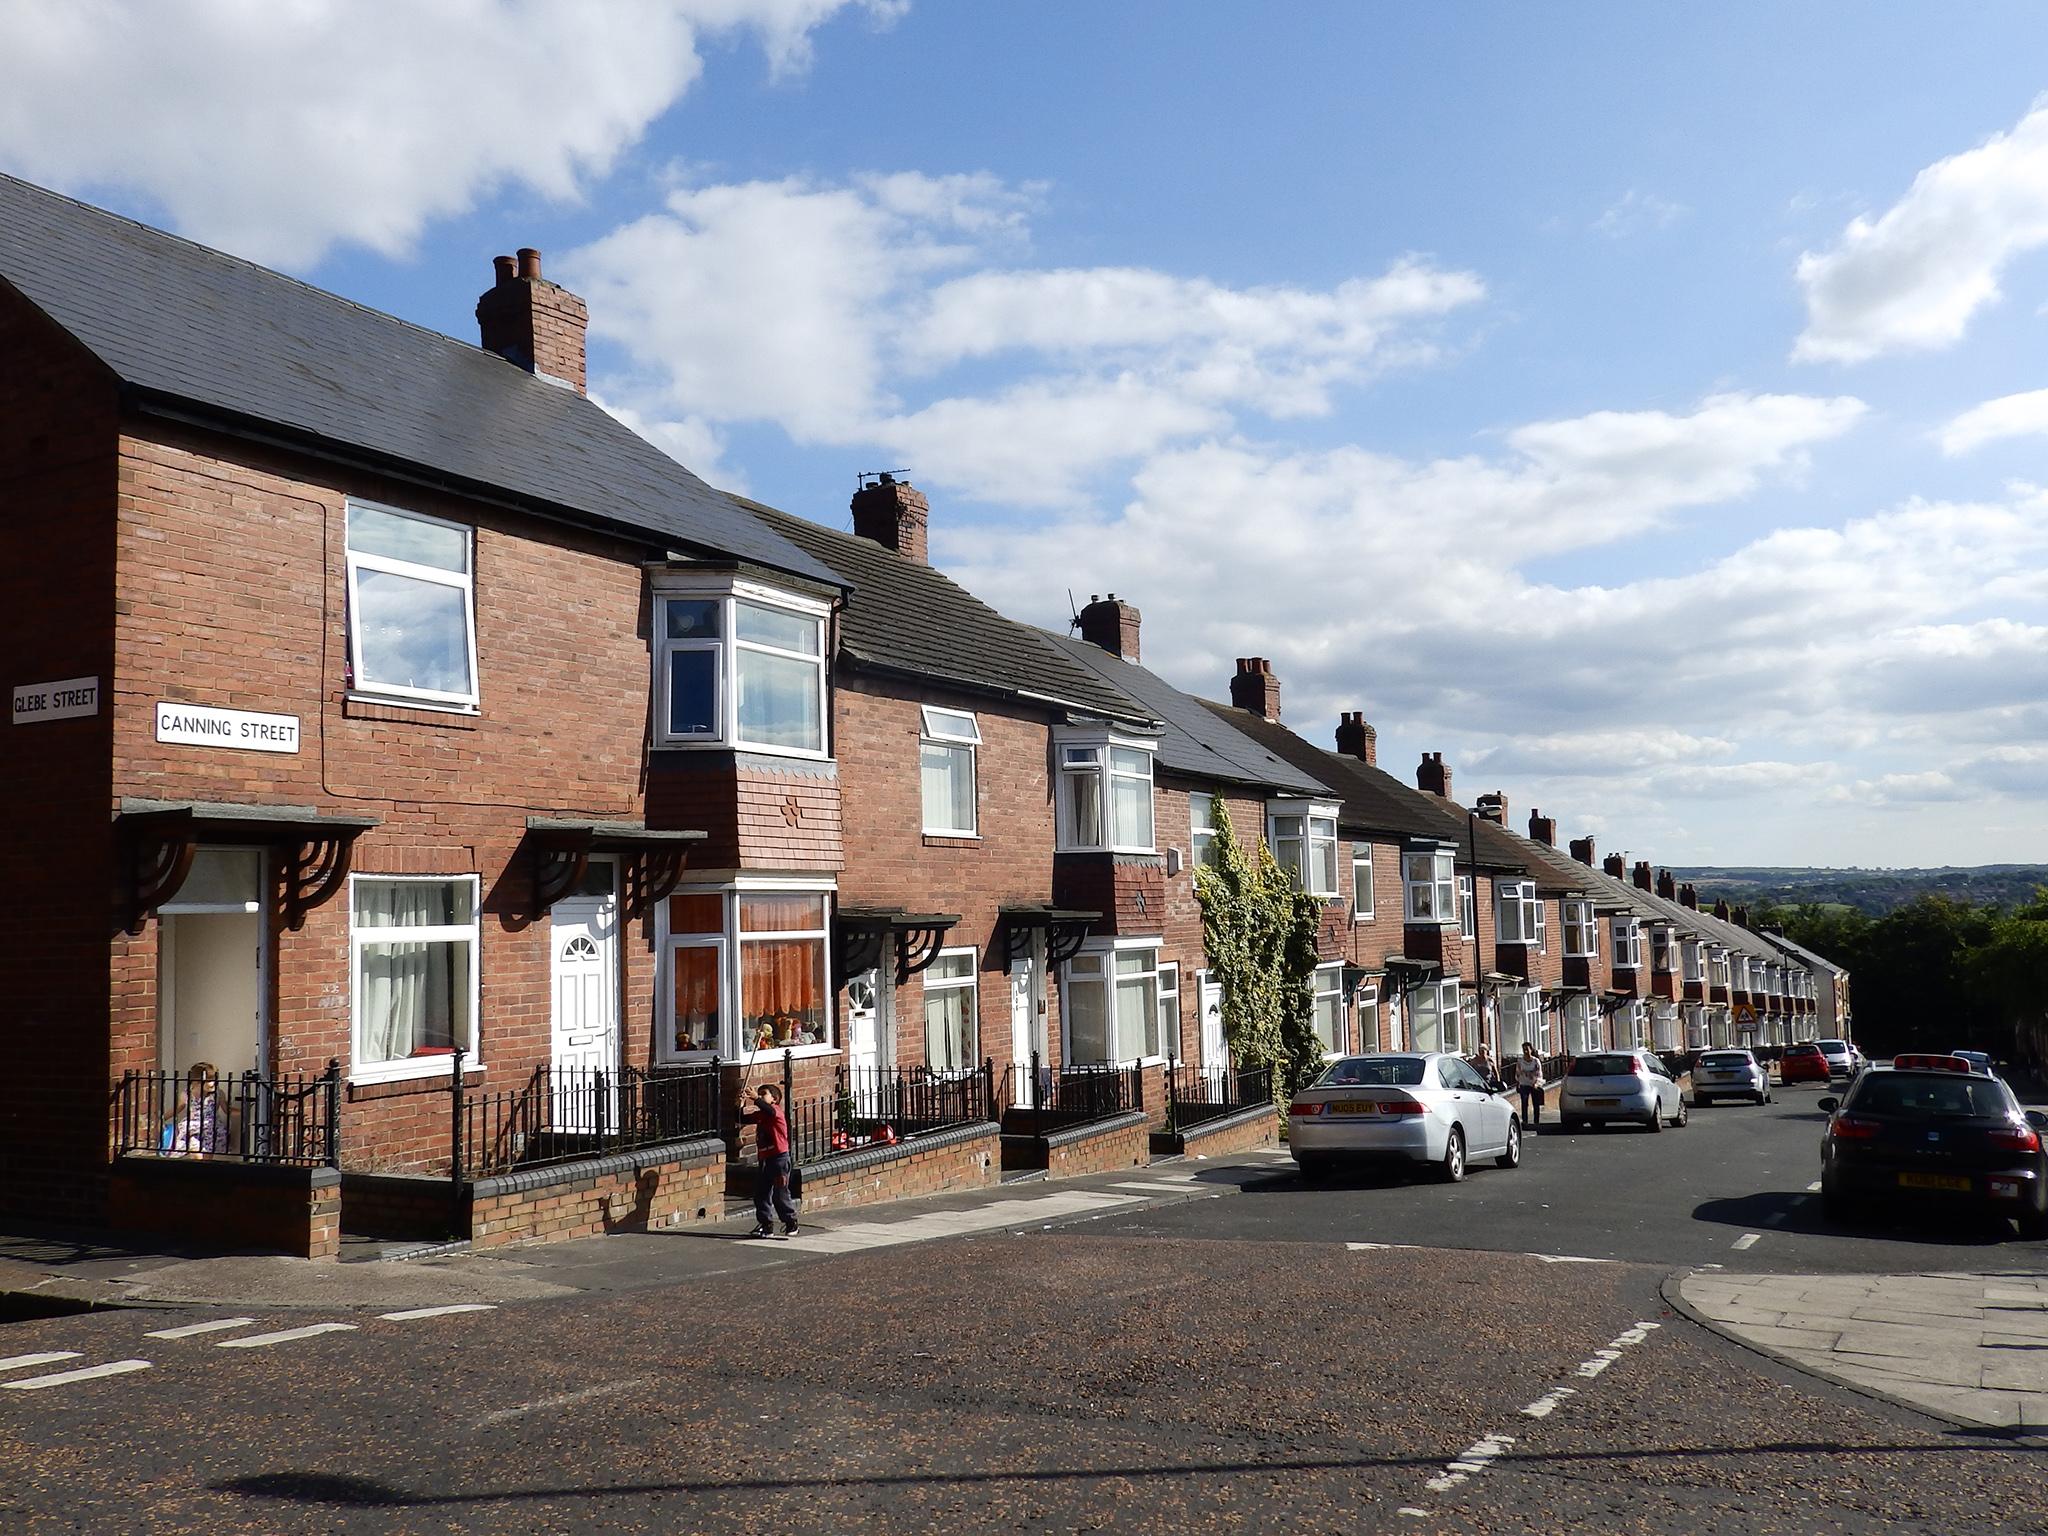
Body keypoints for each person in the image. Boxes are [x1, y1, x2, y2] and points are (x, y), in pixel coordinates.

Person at [737, 1082, 798, 1238]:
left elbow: (769, 1110)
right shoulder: (761, 1114)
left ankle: (791, 1222)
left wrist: (756, 1098)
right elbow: (741, 1117)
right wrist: (740, 1104)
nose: (759, 1096)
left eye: (763, 1094)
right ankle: (766, 1225)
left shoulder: (775, 1111)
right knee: (762, 1194)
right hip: (765, 1160)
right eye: (759, 1093)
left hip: (779, 1159)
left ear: (774, 1099)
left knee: (780, 1193)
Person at [165, 1061, 228, 1158]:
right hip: (193, 1128)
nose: (214, 1083)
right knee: (196, 1154)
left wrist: (244, 1112)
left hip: (211, 1129)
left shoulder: (218, 1094)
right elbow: (177, 1108)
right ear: (198, 1081)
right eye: (210, 1080)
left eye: (215, 1079)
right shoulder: (187, 1094)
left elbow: (226, 1110)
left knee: (207, 1157)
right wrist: (162, 1118)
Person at [1514, 1041, 1546, 1131]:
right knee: (1524, 1102)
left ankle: (1536, 1122)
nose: (1526, 1052)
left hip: (1534, 1085)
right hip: (1524, 1084)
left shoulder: (1536, 1061)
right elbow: (1517, 1073)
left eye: (1527, 1049)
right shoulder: (1520, 1062)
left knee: (1535, 1103)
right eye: (1524, 1050)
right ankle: (1525, 1121)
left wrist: (1536, 1083)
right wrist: (1518, 1083)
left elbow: (1539, 1074)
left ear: (1531, 1050)